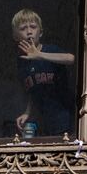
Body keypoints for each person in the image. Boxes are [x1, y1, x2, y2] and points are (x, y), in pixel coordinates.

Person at [12, 9, 75, 137]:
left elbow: (71, 58)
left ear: (40, 32)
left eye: (33, 27)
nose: (29, 31)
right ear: (16, 36)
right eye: (23, 28)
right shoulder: (21, 62)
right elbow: (33, 88)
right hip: (44, 122)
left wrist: (39, 55)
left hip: (64, 118)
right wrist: (27, 112)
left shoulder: (51, 50)